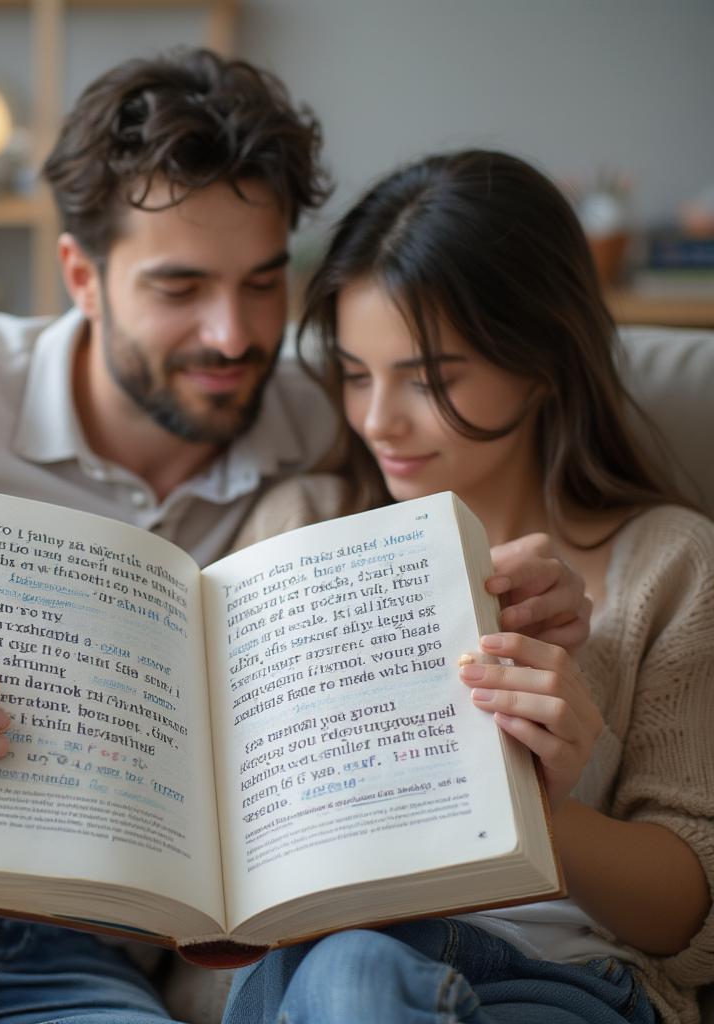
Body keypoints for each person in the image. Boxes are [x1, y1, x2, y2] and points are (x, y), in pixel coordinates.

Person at [0, 47, 589, 1024]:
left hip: (84, 936)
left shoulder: (327, 419)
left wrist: (528, 585)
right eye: (178, 287)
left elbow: (491, 476)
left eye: (260, 282)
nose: (234, 334)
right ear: (81, 274)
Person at [225, 149, 714, 1024]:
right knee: (349, 971)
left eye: (430, 378)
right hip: (317, 971)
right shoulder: (300, 525)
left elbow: (690, 914)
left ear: (541, 359)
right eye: (354, 373)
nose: (379, 421)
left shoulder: (671, 566)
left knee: (354, 980)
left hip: (558, 981)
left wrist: (537, 804)